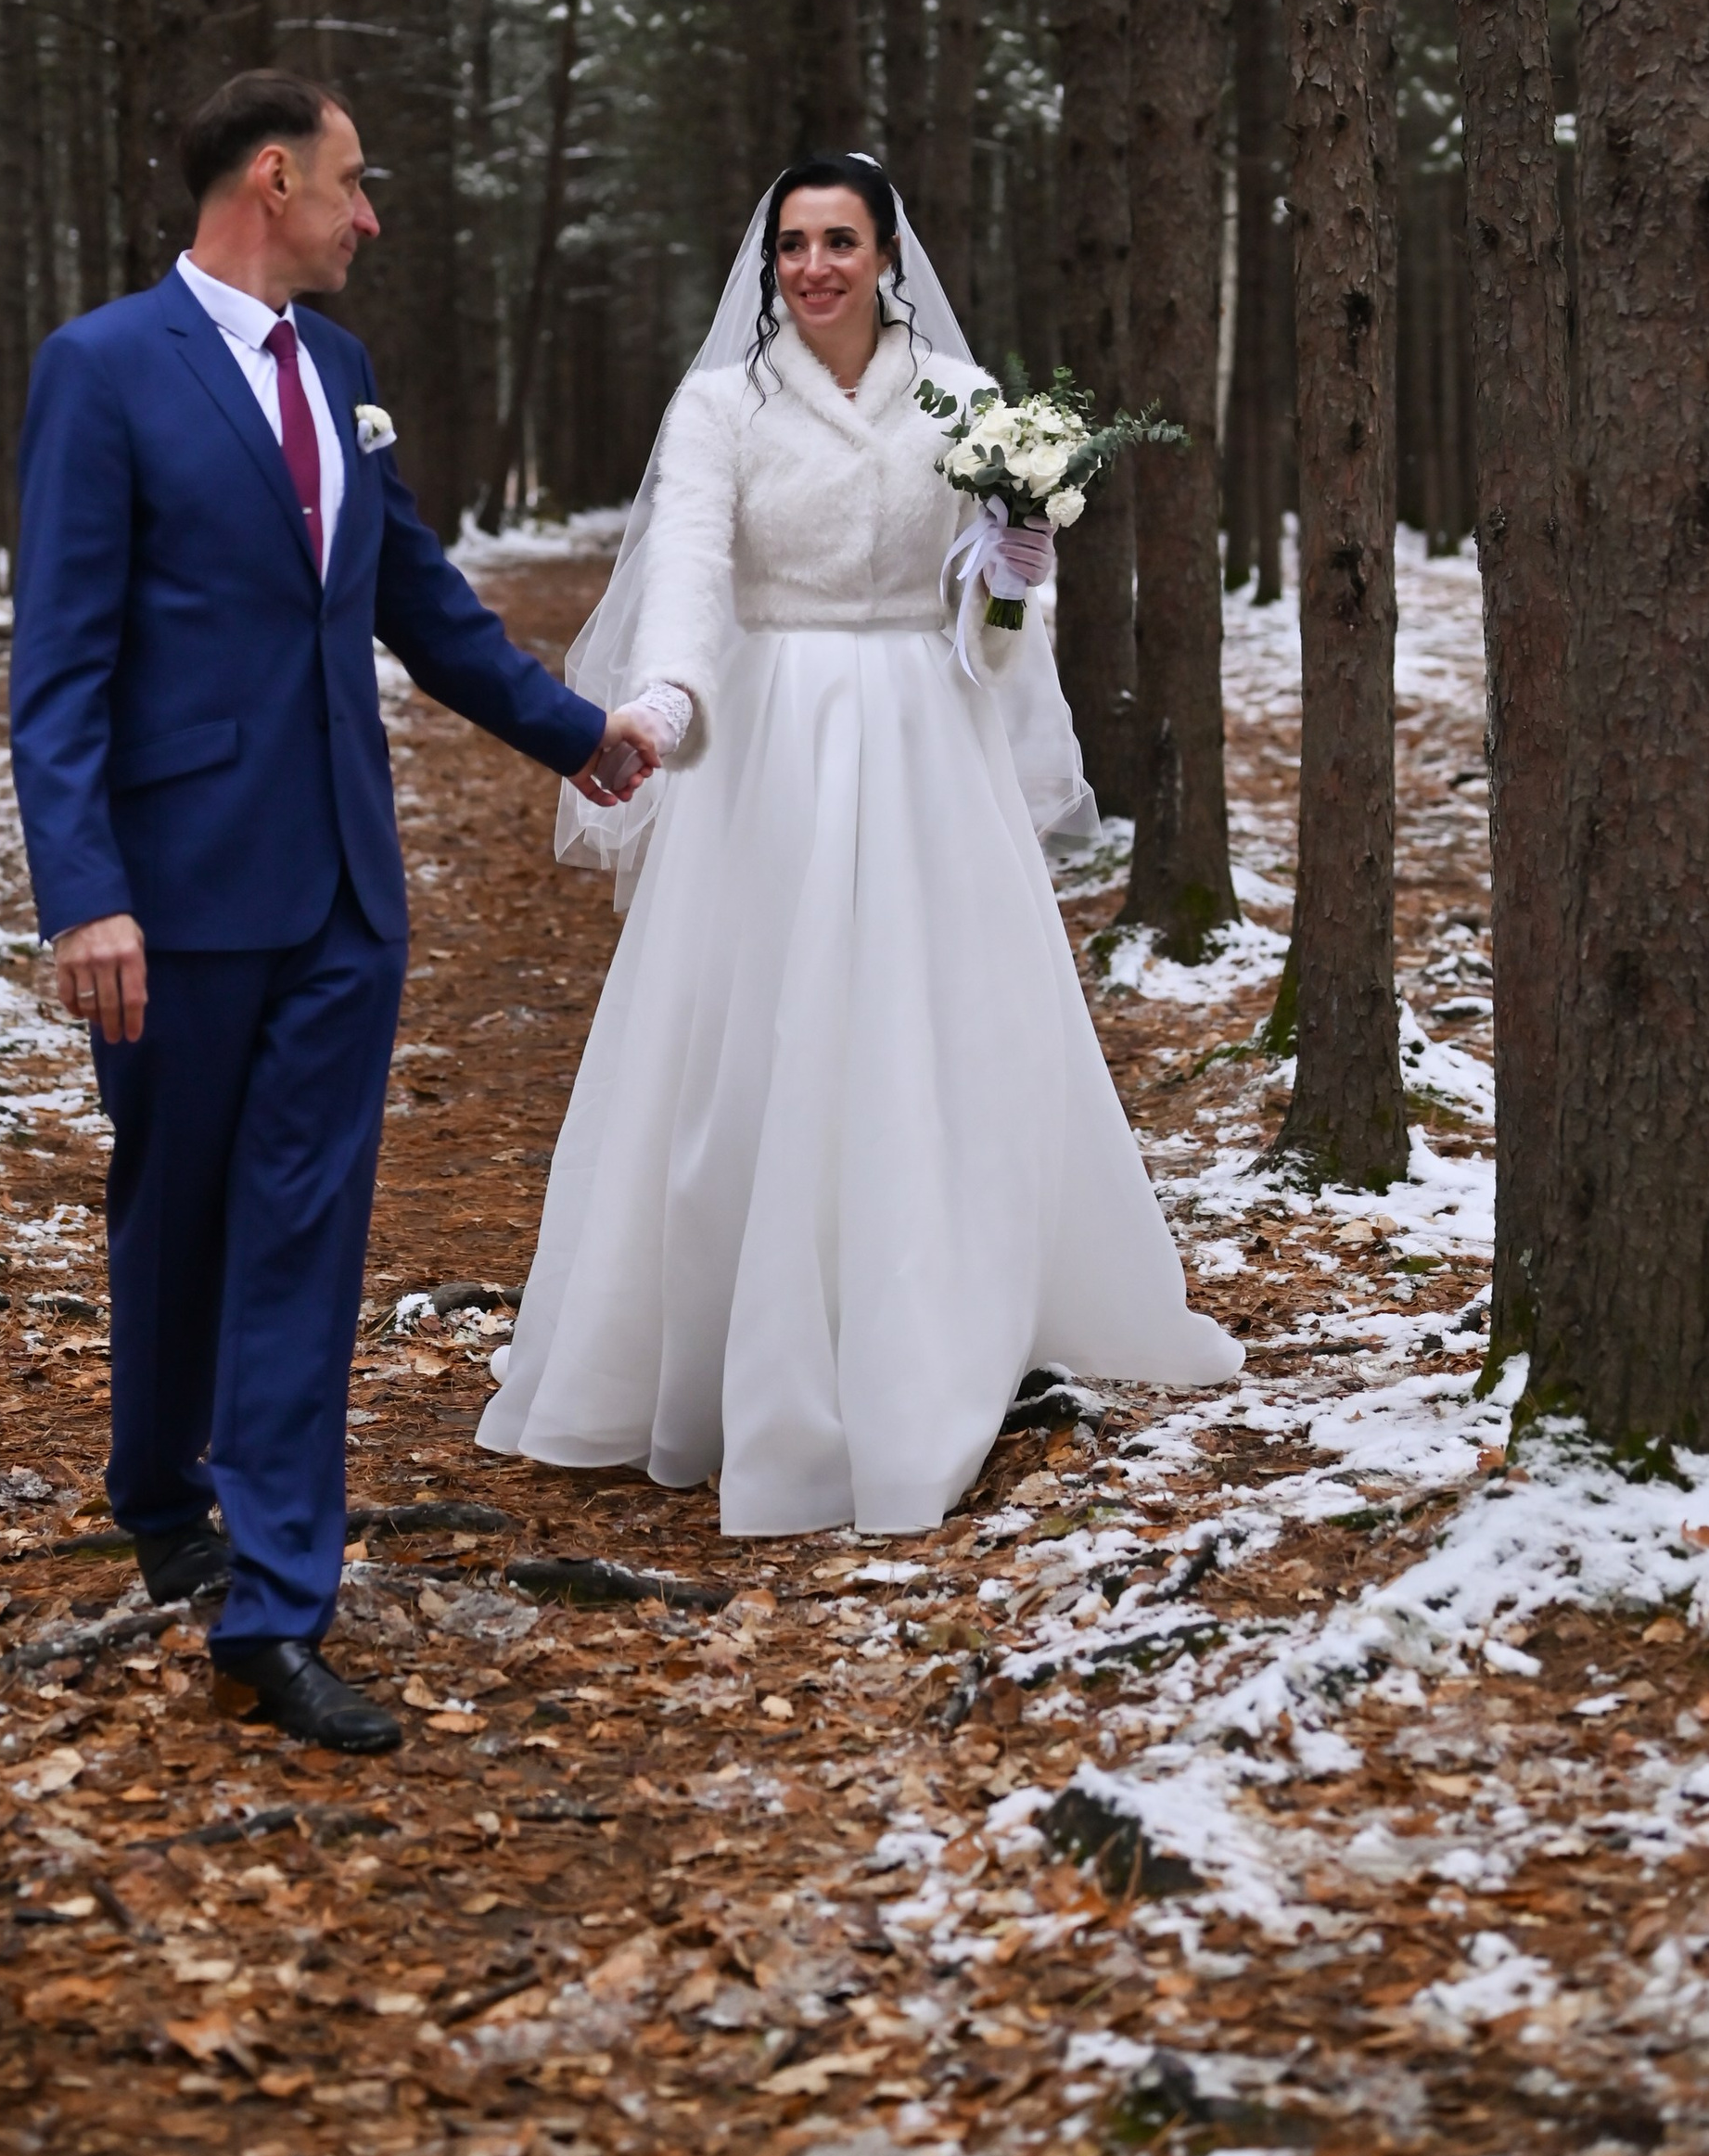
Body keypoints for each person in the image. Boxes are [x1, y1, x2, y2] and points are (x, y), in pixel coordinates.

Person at [9, 71, 665, 1754]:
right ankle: (160, 1492)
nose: (370, 220)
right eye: (356, 188)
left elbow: (417, 600)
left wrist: (578, 734)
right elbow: (60, 667)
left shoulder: (344, 374)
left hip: (343, 894)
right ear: (274, 178)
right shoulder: (101, 372)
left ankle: (273, 1604)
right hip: (176, 892)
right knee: (171, 1205)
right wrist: (85, 895)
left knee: (301, 1235)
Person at [478, 156, 1243, 1537]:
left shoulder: (961, 403)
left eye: (841, 241)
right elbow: (694, 568)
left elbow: (996, 634)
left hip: (920, 732)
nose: (816, 267)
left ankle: (948, 1312)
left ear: (889, 254)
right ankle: (734, 1351)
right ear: (767, 264)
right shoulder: (721, 407)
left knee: (933, 1025)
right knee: (749, 1038)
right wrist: (663, 698)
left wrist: (1017, 579)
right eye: (792, 246)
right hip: (765, 737)